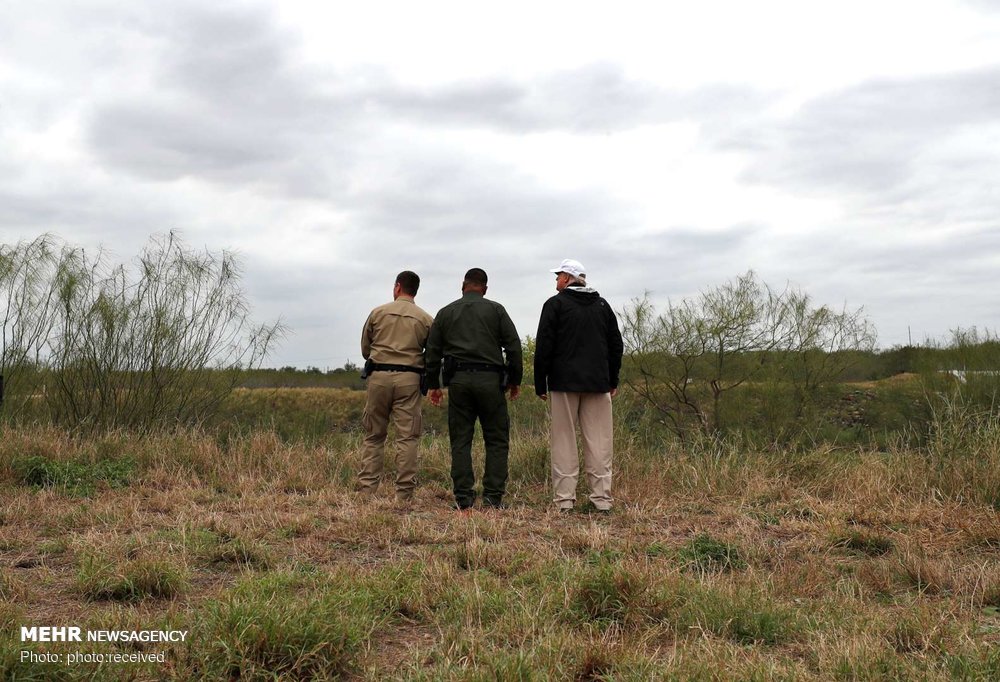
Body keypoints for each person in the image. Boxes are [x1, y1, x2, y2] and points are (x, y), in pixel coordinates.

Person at [426, 268, 522, 510]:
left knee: (461, 440)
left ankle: (463, 499)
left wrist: (433, 386)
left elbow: (432, 353)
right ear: (485, 288)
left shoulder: (445, 312)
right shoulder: (497, 310)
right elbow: (513, 347)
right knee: (497, 440)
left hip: (458, 382)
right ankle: (492, 498)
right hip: (491, 382)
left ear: (463, 285)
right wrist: (515, 380)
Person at [534, 258, 624, 513]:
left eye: (557, 276)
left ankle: (565, 500)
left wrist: (541, 382)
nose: (555, 281)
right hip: (598, 382)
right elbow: (616, 345)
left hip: (564, 383)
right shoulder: (602, 305)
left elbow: (544, 346)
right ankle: (602, 500)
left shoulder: (555, 305)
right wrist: (612, 379)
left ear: (566, 278)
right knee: (600, 442)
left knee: (564, 440)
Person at [357, 270, 434, 505]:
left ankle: (366, 491)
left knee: (374, 435)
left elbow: (365, 350)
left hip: (379, 377)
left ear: (398, 287)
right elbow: (432, 354)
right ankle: (403, 495)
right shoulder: (425, 319)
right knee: (407, 438)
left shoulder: (377, 313)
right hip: (409, 379)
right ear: (415, 290)